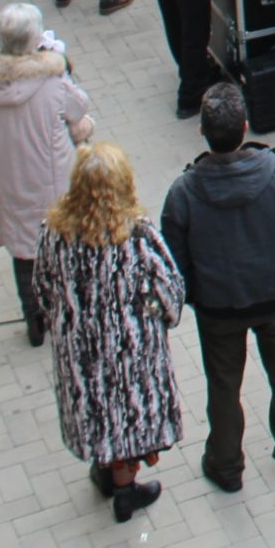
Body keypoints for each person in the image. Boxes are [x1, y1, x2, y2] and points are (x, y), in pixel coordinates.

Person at [161, 83, 275, 492]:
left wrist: (194, 295)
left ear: (202, 131)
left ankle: (226, 464)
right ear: (246, 126)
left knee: (223, 385)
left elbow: (174, 260)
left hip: (219, 308)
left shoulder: (183, 191)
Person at [32, 144, 186, 524]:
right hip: (130, 356)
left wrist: (69, 321)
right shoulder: (137, 236)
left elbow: (42, 290)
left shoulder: (54, 235)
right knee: (127, 418)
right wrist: (149, 317)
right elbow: (171, 292)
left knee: (98, 414)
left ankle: (105, 471)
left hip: (81, 353)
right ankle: (124, 491)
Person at [0, 4, 94, 346]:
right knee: (63, 244)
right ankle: (69, 310)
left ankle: (34, 316)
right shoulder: (50, 80)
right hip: (54, 181)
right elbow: (79, 108)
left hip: (6, 181)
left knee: (22, 250)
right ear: (35, 40)